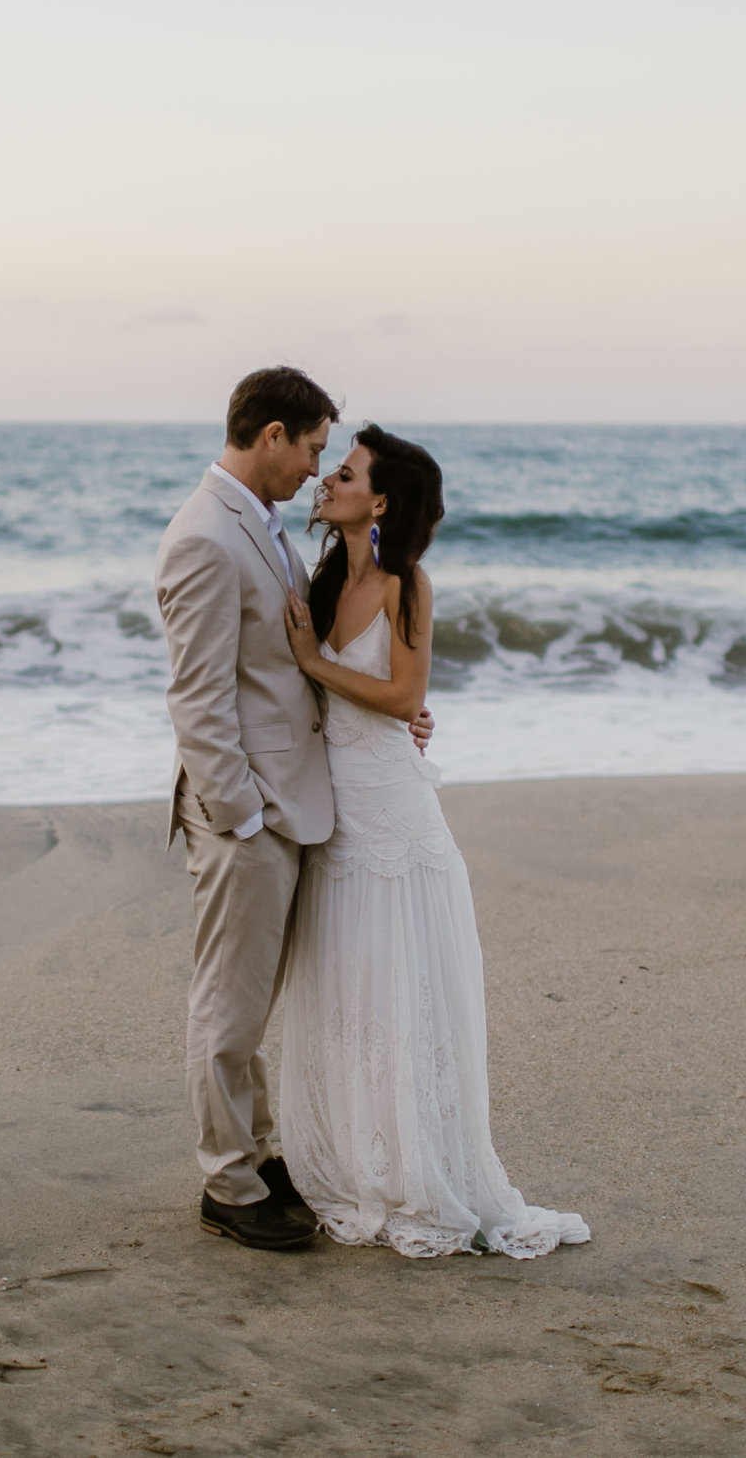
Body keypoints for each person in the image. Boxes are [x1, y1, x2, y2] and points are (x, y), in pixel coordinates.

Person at [274, 425, 590, 1258]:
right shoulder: (329, 574)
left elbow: (401, 689)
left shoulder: (408, 582)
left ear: (380, 501)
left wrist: (316, 661)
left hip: (396, 823)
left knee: (401, 1005)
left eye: (346, 473)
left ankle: (421, 1174)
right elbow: (359, 700)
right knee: (350, 998)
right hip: (337, 825)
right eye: (331, 468)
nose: (328, 479)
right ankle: (358, 1164)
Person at [154, 367, 434, 1251]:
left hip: (288, 801)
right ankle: (229, 1184)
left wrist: (387, 708)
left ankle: (256, 1152)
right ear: (271, 434)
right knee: (228, 1008)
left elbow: (282, 662)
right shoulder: (204, 535)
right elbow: (198, 701)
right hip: (252, 812)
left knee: (249, 1000)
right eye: (315, 447)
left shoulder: (259, 525)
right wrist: (240, 817)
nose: (319, 469)